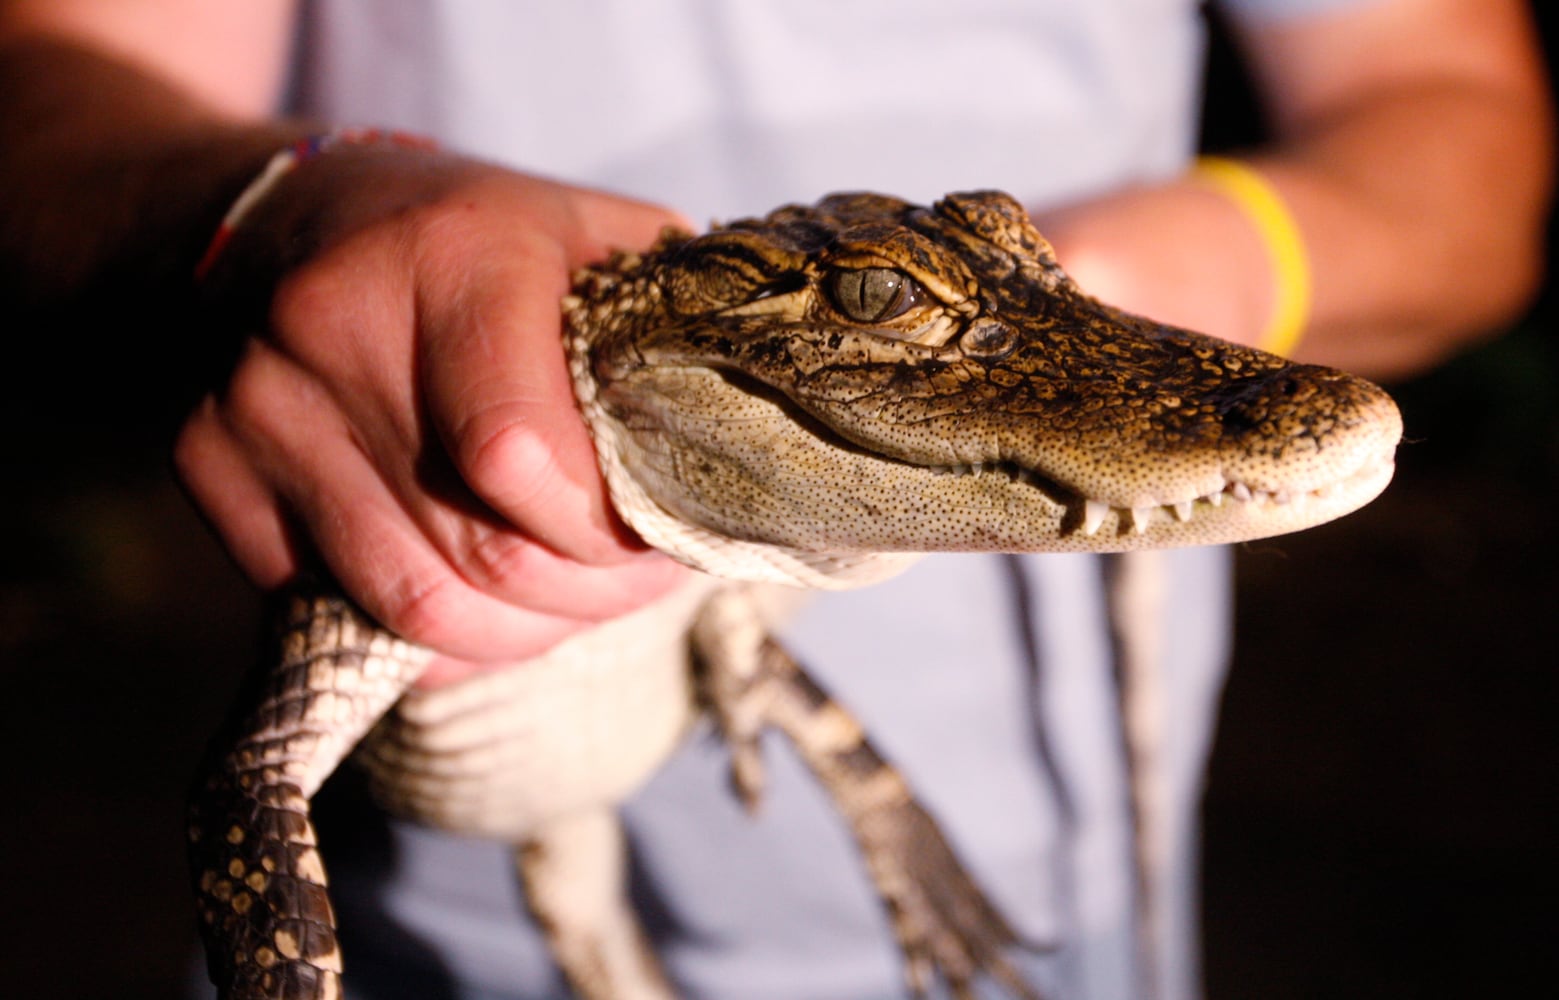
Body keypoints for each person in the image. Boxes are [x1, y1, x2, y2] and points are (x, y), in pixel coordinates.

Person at [0, 1, 1548, 998]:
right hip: (414, 936)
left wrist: (1136, 279)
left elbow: (1453, 116)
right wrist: (270, 209)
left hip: (1046, 887)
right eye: (892, 301)